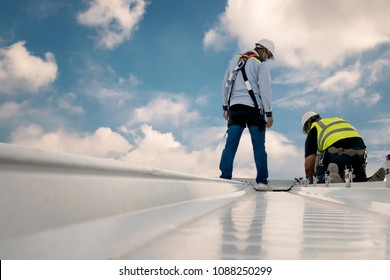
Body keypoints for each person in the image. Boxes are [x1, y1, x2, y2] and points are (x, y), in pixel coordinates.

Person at [219, 39, 275, 190]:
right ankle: (262, 181)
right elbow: (265, 90)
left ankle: (225, 178)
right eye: (268, 56)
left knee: (230, 144)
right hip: (254, 110)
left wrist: (225, 107)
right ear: (264, 51)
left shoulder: (234, 60)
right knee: (258, 145)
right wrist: (269, 113)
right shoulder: (260, 64)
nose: (267, 59)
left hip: (235, 108)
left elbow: (225, 84)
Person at [301, 112, 385, 184]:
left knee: (321, 167)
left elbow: (309, 165)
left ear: (308, 124)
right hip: (360, 156)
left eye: (306, 129)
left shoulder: (314, 128)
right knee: (356, 177)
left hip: (338, 155)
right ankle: (365, 181)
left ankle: (327, 178)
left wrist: (310, 181)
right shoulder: (337, 120)